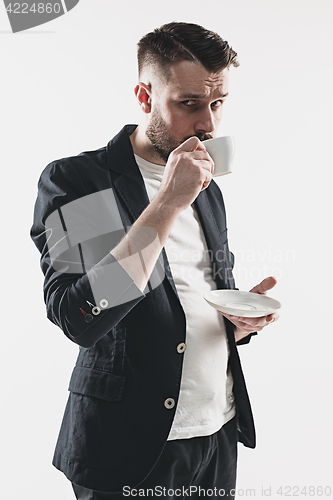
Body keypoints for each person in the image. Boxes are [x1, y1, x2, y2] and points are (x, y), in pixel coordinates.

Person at [31, 22, 279, 500]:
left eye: (218, 102)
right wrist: (166, 203)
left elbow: (185, 296)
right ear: (145, 96)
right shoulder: (83, 181)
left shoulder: (209, 189)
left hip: (216, 433)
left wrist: (236, 323)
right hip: (129, 445)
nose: (207, 123)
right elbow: (83, 316)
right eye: (189, 103)